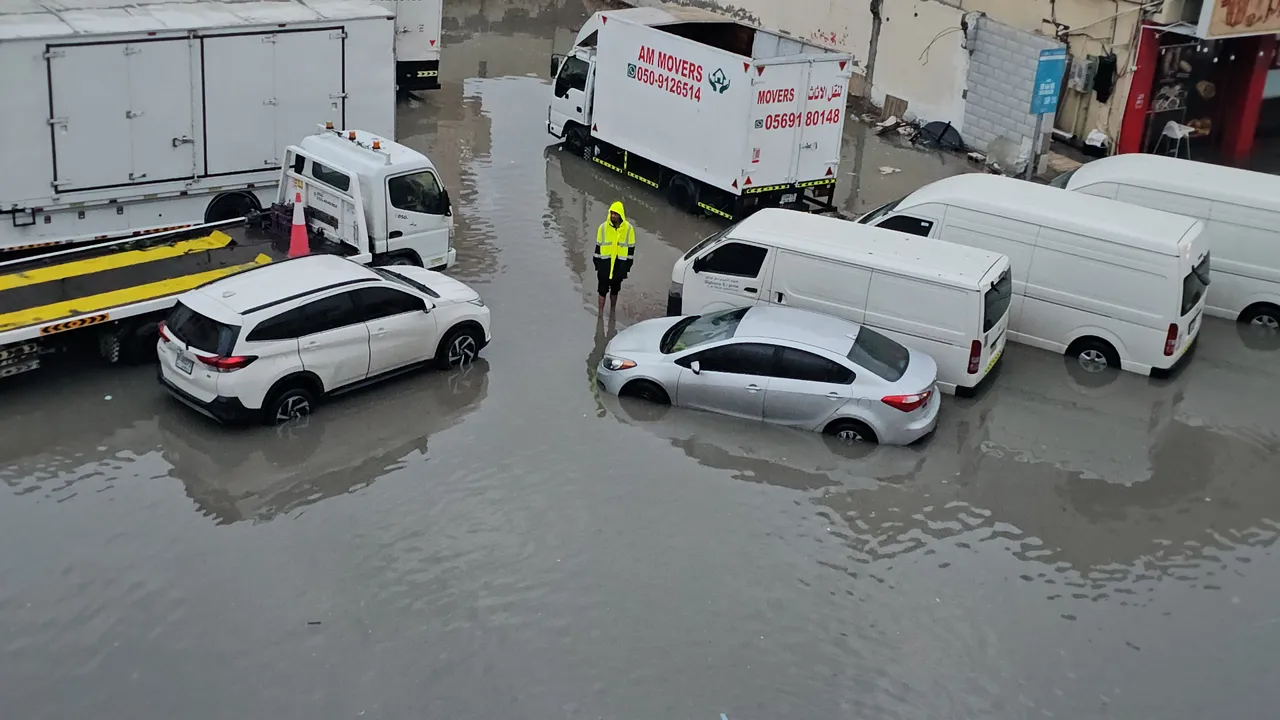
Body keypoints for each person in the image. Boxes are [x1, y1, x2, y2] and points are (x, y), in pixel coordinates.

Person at [593, 201, 636, 316]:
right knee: (602, 290)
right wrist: (597, 265)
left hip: (619, 265)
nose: (613, 216)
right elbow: (597, 248)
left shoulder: (628, 229)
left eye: (615, 214)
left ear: (620, 214)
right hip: (604, 265)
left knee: (615, 290)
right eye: (611, 213)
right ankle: (600, 314)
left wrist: (626, 269)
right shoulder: (602, 228)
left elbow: (631, 251)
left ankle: (612, 311)